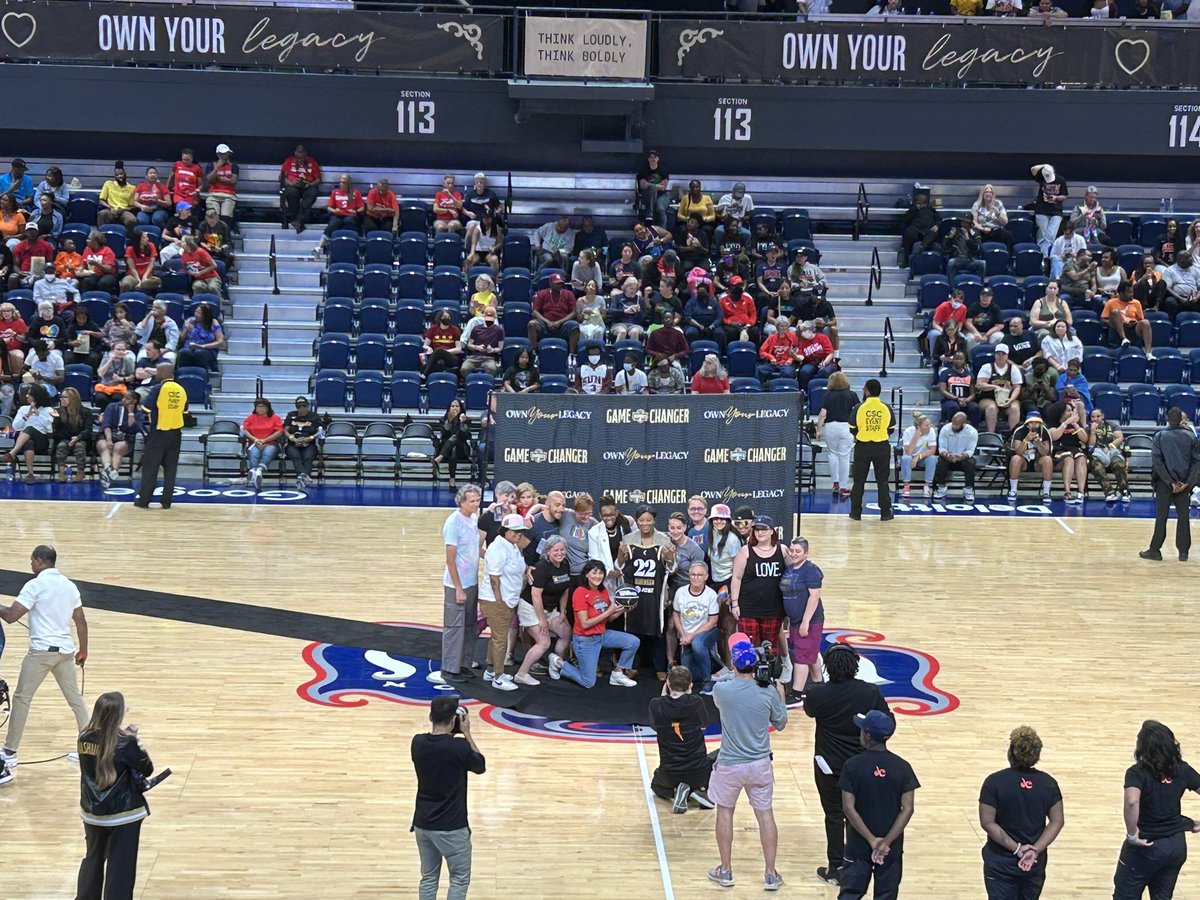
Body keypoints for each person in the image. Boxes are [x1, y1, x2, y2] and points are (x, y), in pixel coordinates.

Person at [804, 644, 892, 888]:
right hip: (863, 766)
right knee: (861, 814)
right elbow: (889, 724)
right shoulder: (870, 692)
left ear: (828, 667)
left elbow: (810, 712)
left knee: (833, 814)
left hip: (827, 766)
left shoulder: (816, 693)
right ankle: (862, 862)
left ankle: (836, 867)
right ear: (855, 665)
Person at [707, 632, 788, 892]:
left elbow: (728, 681)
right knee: (765, 815)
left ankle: (726, 869)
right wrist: (781, 695)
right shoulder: (769, 692)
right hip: (760, 764)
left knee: (725, 813)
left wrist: (735, 672)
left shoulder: (722, 690)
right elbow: (781, 724)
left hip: (730, 763)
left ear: (734, 662)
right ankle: (770, 873)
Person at [0, 545, 90, 771]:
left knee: (22, 698)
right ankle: (91, 750)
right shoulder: (69, 586)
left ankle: (9, 752)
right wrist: (84, 650)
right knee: (76, 700)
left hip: (41, 653)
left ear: (40, 561)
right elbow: (81, 620)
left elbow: (11, 616)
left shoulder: (35, 585)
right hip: (66, 652)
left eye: (32, 561)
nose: (31, 566)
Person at [75, 691, 154, 900]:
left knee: (93, 859)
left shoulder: (83, 737)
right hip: (123, 814)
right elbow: (147, 769)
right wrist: (136, 742)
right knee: (121, 867)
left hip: (92, 812)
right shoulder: (124, 743)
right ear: (117, 715)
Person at [1111, 720, 1200, 899]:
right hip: (1175, 846)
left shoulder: (1137, 773)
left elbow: (1132, 802)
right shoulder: (1182, 769)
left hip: (1146, 845)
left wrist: (1132, 834)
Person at [839, 710, 920, 900]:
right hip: (891, 847)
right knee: (887, 895)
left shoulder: (852, 765)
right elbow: (908, 809)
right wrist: (885, 842)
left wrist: (871, 840)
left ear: (867, 736)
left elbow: (848, 807)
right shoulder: (903, 767)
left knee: (850, 894)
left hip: (858, 844)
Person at [411, 696, 485, 900]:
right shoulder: (459, 748)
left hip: (423, 824)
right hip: (451, 827)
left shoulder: (417, 742)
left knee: (428, 878)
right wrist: (467, 734)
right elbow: (480, 766)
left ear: (430, 716)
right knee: (459, 879)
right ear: (454, 721)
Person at [978, 726, 1064, 900]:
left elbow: (987, 822)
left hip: (1000, 862)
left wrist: (1017, 849)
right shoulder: (1048, 783)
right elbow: (1057, 821)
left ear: (1011, 751)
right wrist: (1035, 850)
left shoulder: (994, 782)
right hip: (1033, 863)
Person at [549, 560, 640, 689]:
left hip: (601, 635)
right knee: (588, 682)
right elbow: (585, 624)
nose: (597, 576)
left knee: (633, 642)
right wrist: (609, 610)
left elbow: (609, 619)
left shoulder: (603, 592)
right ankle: (557, 662)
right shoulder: (580, 592)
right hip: (585, 640)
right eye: (594, 573)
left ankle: (617, 674)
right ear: (586, 574)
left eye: (601, 573)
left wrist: (623, 609)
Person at [650, 666, 716, 813]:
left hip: (669, 775)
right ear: (690, 685)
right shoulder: (696, 702)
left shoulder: (656, 704)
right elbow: (704, 724)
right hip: (700, 773)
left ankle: (683, 791)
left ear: (667, 684)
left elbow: (656, 727)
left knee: (656, 786)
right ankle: (696, 790)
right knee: (719, 755)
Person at [434, 485, 482, 685]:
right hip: (457, 584)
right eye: (472, 501)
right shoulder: (453, 523)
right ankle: (449, 668)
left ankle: (464, 663)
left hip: (472, 581)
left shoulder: (474, 518)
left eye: (478, 500)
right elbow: (450, 560)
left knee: (470, 626)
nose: (476, 504)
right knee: (454, 627)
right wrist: (459, 588)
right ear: (461, 502)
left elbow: (474, 548)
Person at [1141, 407, 1200, 562]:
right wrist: (1187, 482)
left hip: (1164, 483)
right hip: (1184, 484)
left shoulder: (1159, 436)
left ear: (1168, 419)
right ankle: (1183, 553)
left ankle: (1155, 550)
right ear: (1181, 419)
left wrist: (1170, 482)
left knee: (1161, 517)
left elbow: (1158, 463)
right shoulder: (1190, 436)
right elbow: (1196, 462)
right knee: (1183, 517)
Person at [478, 514, 527, 692]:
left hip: (508, 599)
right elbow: (494, 579)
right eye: (515, 531)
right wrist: (499, 601)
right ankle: (498, 676)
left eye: (521, 531)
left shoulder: (512, 546)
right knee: (500, 639)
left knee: (497, 637)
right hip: (496, 600)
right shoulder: (497, 548)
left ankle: (491, 670)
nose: (519, 534)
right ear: (505, 530)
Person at [134, 364, 187, 510]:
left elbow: (146, 408)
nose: (156, 373)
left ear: (163, 373)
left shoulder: (158, 388)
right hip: (176, 433)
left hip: (159, 433)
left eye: (158, 371)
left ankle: (144, 500)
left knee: (150, 468)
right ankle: (166, 501)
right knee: (171, 470)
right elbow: (185, 411)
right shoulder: (181, 389)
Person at [730, 516, 786, 651]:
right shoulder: (745, 551)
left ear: (772, 531)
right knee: (747, 648)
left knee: (770, 648)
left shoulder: (783, 550)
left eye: (764, 529)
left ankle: (779, 668)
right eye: (757, 529)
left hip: (774, 608)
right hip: (748, 608)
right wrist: (735, 603)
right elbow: (736, 578)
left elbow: (793, 574)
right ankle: (748, 672)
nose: (760, 533)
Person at [780, 537, 823, 706]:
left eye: (798, 551)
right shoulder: (790, 569)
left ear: (806, 553)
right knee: (810, 653)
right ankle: (819, 685)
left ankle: (797, 692)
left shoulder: (811, 570)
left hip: (810, 621)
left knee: (802, 657)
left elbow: (814, 597)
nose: (793, 554)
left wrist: (806, 622)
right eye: (792, 550)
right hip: (795, 620)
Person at [849, 379, 896, 521]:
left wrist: (861, 435)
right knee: (883, 481)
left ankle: (855, 513)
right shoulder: (886, 407)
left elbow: (852, 427)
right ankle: (886, 513)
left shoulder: (859, 407)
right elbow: (892, 428)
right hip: (881, 446)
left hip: (862, 446)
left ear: (867, 391)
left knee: (858, 481)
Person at [672, 562, 720, 691]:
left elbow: (713, 620)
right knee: (688, 676)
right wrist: (682, 635)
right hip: (686, 634)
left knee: (697, 644)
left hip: (706, 631)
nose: (696, 578)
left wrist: (691, 636)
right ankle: (707, 669)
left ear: (706, 577)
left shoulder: (711, 594)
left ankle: (707, 681)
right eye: (693, 574)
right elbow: (676, 615)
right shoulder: (680, 592)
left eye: (700, 575)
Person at [4, 384, 53, 484]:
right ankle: (31, 474)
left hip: (41, 442)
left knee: (30, 429)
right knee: (28, 441)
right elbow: (16, 426)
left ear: (36, 396)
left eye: (29, 394)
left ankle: (12, 453)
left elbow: (49, 429)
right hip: (23, 443)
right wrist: (27, 415)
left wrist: (38, 414)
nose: (26, 396)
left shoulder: (48, 410)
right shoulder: (23, 409)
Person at [97, 391, 144, 489]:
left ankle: (107, 475)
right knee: (104, 445)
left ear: (134, 401)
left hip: (126, 438)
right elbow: (106, 424)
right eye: (123, 398)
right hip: (108, 435)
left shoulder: (138, 413)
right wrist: (109, 439)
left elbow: (133, 428)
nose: (124, 400)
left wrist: (131, 413)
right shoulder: (112, 407)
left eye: (128, 399)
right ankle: (109, 472)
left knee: (118, 447)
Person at [1088, 407, 1131, 504]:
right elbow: (1090, 445)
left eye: (1098, 416)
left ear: (1102, 416)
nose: (1096, 419)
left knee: (1119, 464)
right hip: (1097, 454)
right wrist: (1093, 432)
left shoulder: (1111, 425)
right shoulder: (1088, 427)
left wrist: (1109, 446)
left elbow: (1120, 438)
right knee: (1096, 467)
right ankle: (1109, 493)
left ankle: (1125, 492)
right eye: (1093, 417)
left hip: (1112, 452)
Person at [241, 398, 284, 491]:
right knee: (254, 454)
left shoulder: (275, 418)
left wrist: (265, 440)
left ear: (267, 408)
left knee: (268, 452)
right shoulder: (251, 418)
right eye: (258, 406)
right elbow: (245, 430)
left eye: (262, 406)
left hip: (270, 443)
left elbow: (280, 432)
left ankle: (258, 470)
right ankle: (255, 472)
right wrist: (255, 440)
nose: (260, 408)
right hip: (254, 443)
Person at [52, 387, 94, 482]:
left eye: (64, 397)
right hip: (64, 439)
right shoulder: (58, 412)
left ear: (73, 399)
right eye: (61, 397)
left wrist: (78, 437)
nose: (61, 399)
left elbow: (88, 430)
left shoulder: (86, 412)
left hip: (81, 439)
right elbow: (56, 432)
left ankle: (80, 473)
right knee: (62, 446)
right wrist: (57, 419)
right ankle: (61, 472)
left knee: (79, 446)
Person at [279, 144, 322, 233]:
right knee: (291, 193)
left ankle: (298, 219)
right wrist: (290, 182)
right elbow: (281, 177)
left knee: (313, 193)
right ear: (295, 153)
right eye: (298, 152)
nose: (300, 154)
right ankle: (298, 220)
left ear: (305, 153)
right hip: (293, 185)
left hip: (307, 185)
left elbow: (318, 180)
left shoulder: (312, 162)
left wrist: (309, 184)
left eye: (302, 152)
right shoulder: (289, 161)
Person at [1030, 163, 1069, 258]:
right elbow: (1033, 169)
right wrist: (1045, 166)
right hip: (1041, 210)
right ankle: (1043, 257)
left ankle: (1045, 257)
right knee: (1042, 236)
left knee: (1050, 236)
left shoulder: (1061, 180)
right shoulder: (1041, 177)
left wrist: (1056, 197)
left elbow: (1065, 196)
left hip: (1056, 211)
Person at [432, 399, 472, 490]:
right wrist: (449, 421)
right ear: (449, 408)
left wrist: (462, 422)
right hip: (447, 450)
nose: (455, 408)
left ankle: (440, 458)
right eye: (453, 406)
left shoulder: (467, 420)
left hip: (461, 449)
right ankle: (452, 479)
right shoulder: (443, 420)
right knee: (452, 446)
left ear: (461, 408)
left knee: (455, 440)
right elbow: (444, 434)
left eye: (457, 406)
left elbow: (466, 436)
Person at [283, 396, 321, 490]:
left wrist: (310, 438)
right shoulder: (291, 415)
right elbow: (285, 430)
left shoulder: (314, 416)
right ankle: (304, 476)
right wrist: (292, 438)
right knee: (295, 456)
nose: (301, 408)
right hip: (293, 442)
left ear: (307, 406)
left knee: (308, 456)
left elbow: (320, 431)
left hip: (309, 442)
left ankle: (302, 477)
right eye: (299, 406)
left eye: (304, 406)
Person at [898, 413, 937, 499]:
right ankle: (906, 486)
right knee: (906, 458)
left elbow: (932, 450)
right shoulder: (908, 431)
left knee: (932, 459)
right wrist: (916, 436)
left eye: (929, 424)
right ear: (918, 427)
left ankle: (927, 486)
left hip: (922, 458)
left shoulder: (931, 431)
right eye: (926, 425)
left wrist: (918, 457)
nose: (929, 427)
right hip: (910, 457)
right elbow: (909, 452)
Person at [176, 303, 223, 372]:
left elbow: (220, 342)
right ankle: (182, 375)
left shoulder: (213, 322)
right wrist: (186, 330)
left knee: (199, 353)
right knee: (184, 352)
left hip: (207, 349)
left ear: (206, 315)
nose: (196, 314)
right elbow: (181, 340)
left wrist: (202, 346)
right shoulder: (190, 320)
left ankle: (203, 375)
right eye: (196, 312)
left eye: (199, 313)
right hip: (189, 347)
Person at [637, 150, 672, 227]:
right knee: (651, 191)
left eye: (655, 157)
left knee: (660, 208)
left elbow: (663, 187)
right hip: (647, 195)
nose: (653, 159)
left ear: (658, 159)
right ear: (648, 159)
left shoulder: (663, 170)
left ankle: (662, 231)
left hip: (661, 195)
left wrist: (650, 185)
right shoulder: (643, 170)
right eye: (651, 157)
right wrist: (655, 186)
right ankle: (648, 226)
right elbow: (642, 185)